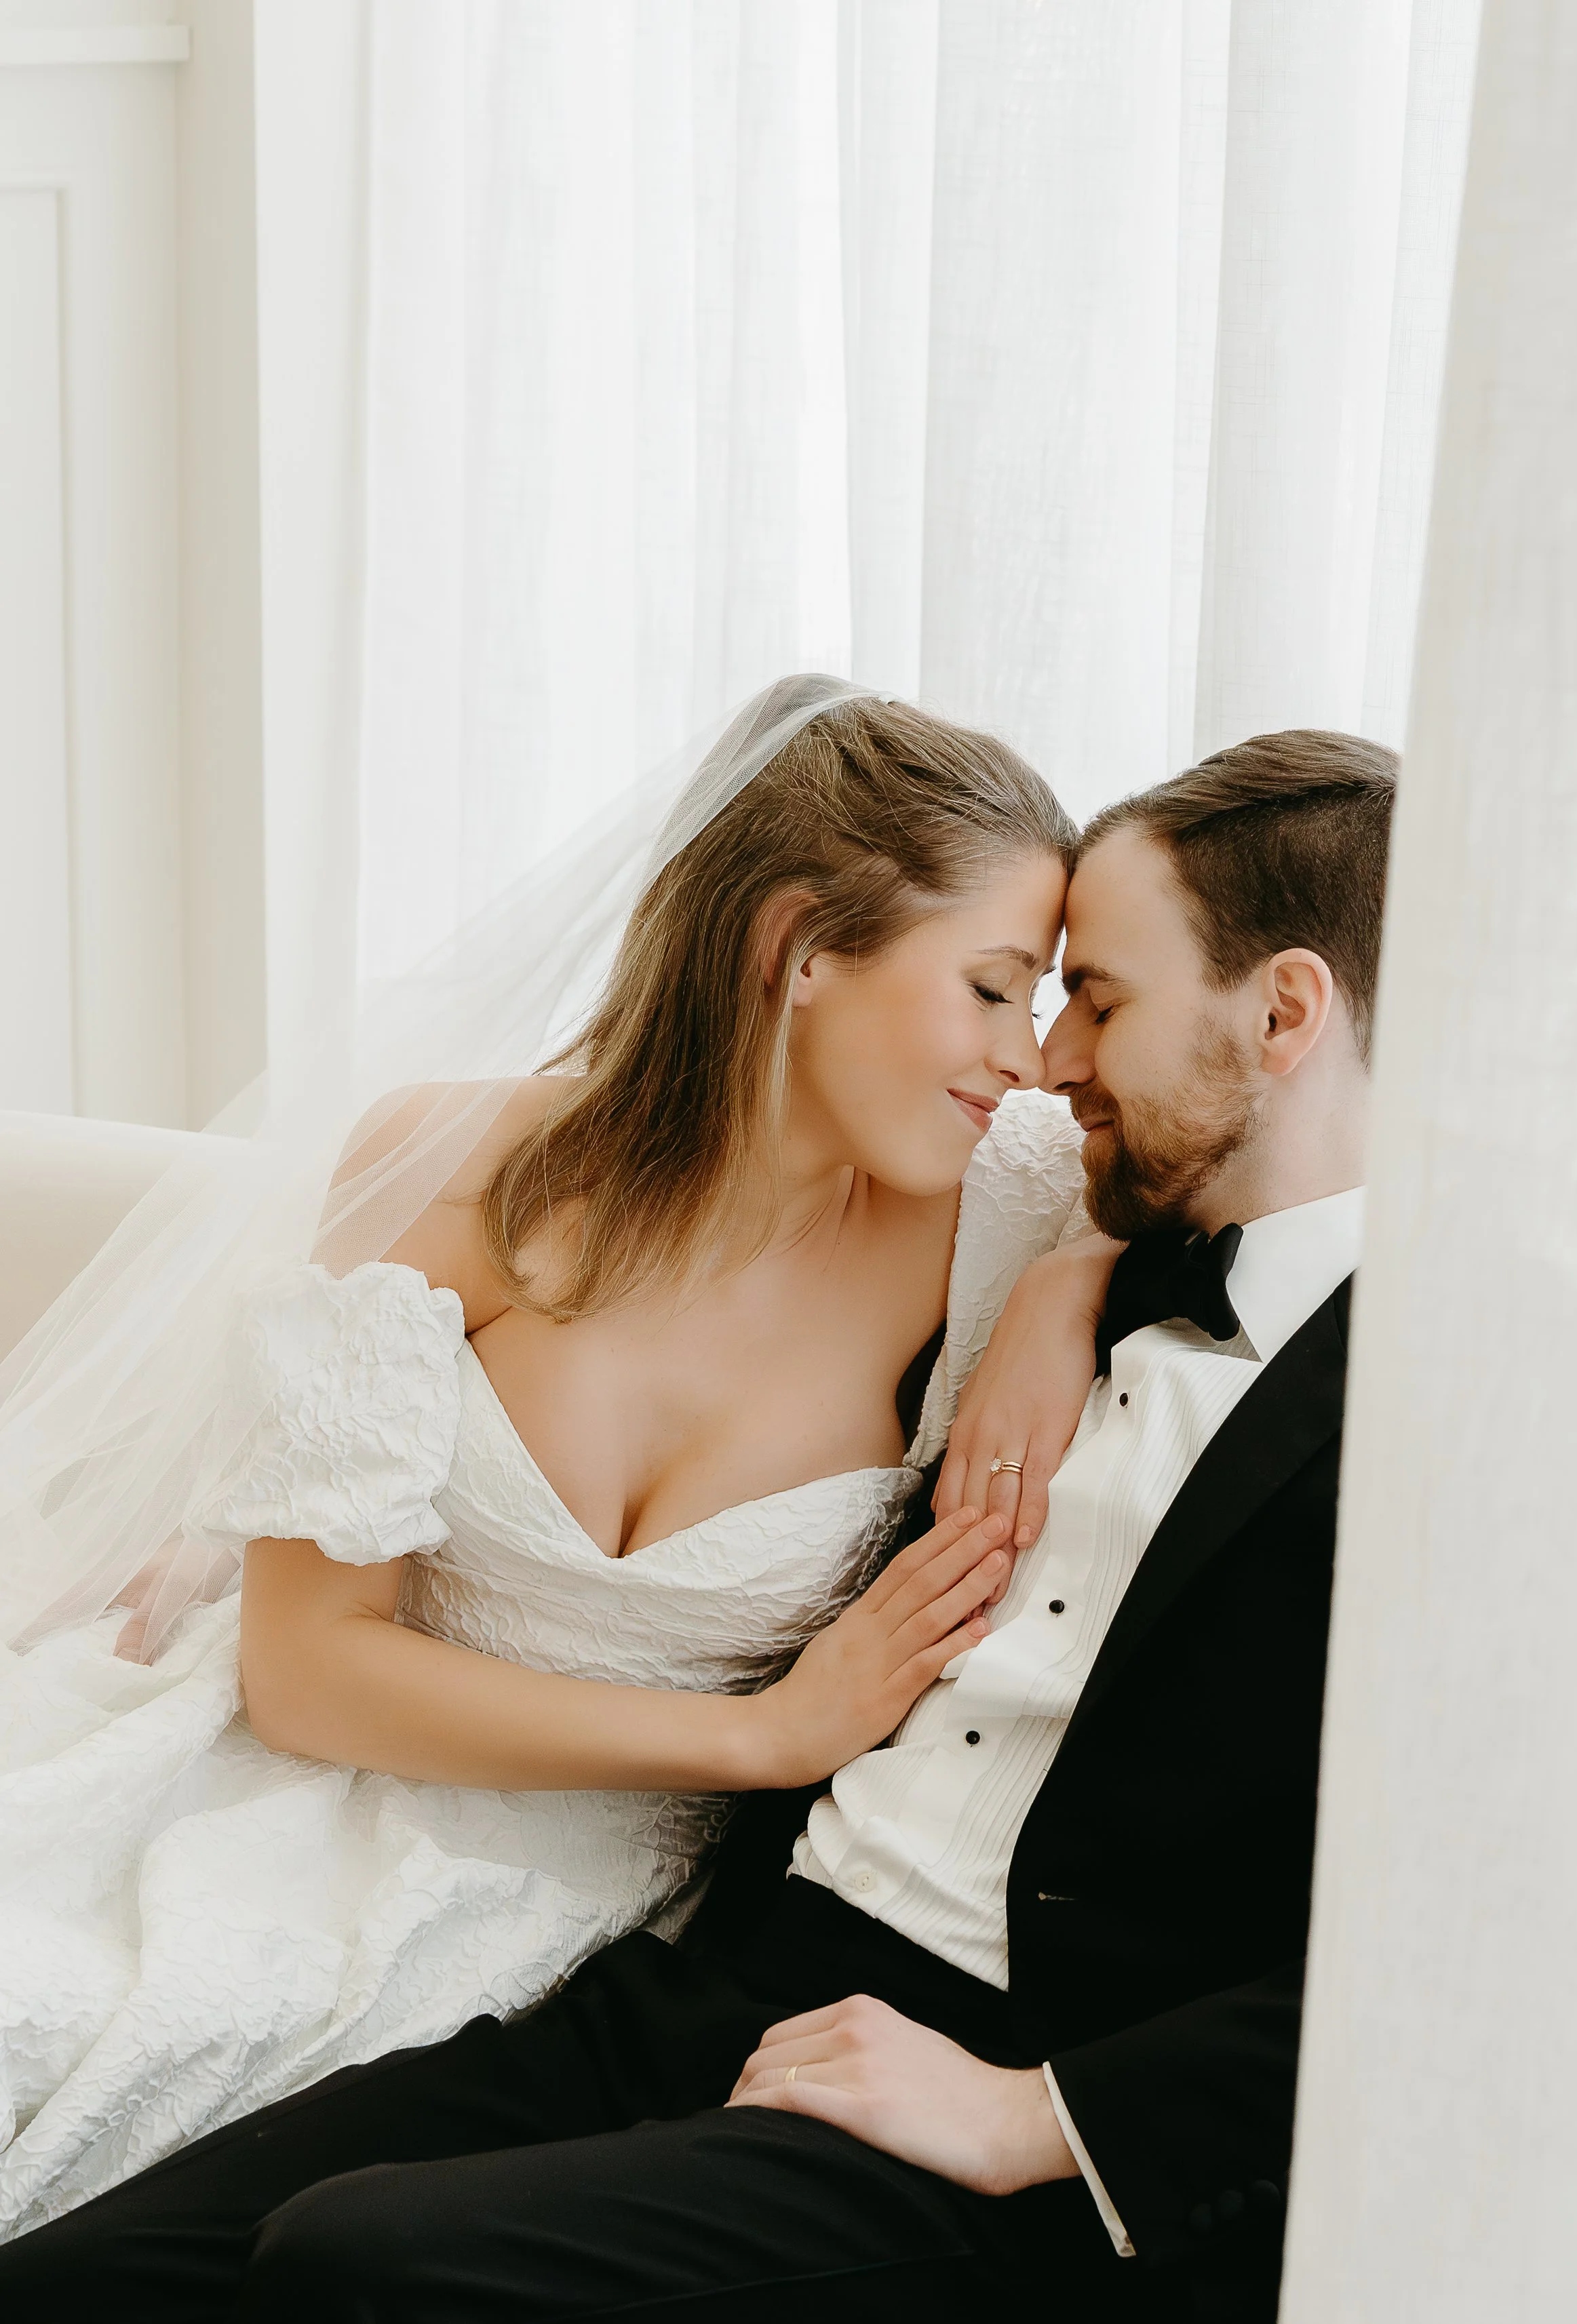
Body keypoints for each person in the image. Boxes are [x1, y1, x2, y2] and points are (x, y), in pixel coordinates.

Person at [0, 724, 1397, 2322]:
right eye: (1013, 988)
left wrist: (1040, 2114)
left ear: (1284, 1008)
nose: (1045, 1055)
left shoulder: (1093, 1234)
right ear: (798, 952)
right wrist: (782, 1731)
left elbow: (1500, 1933)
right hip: (677, 1921)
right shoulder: (1063, 1213)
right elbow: (312, 1654)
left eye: (1081, 998)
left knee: (346, 2262)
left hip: (850, 1989)